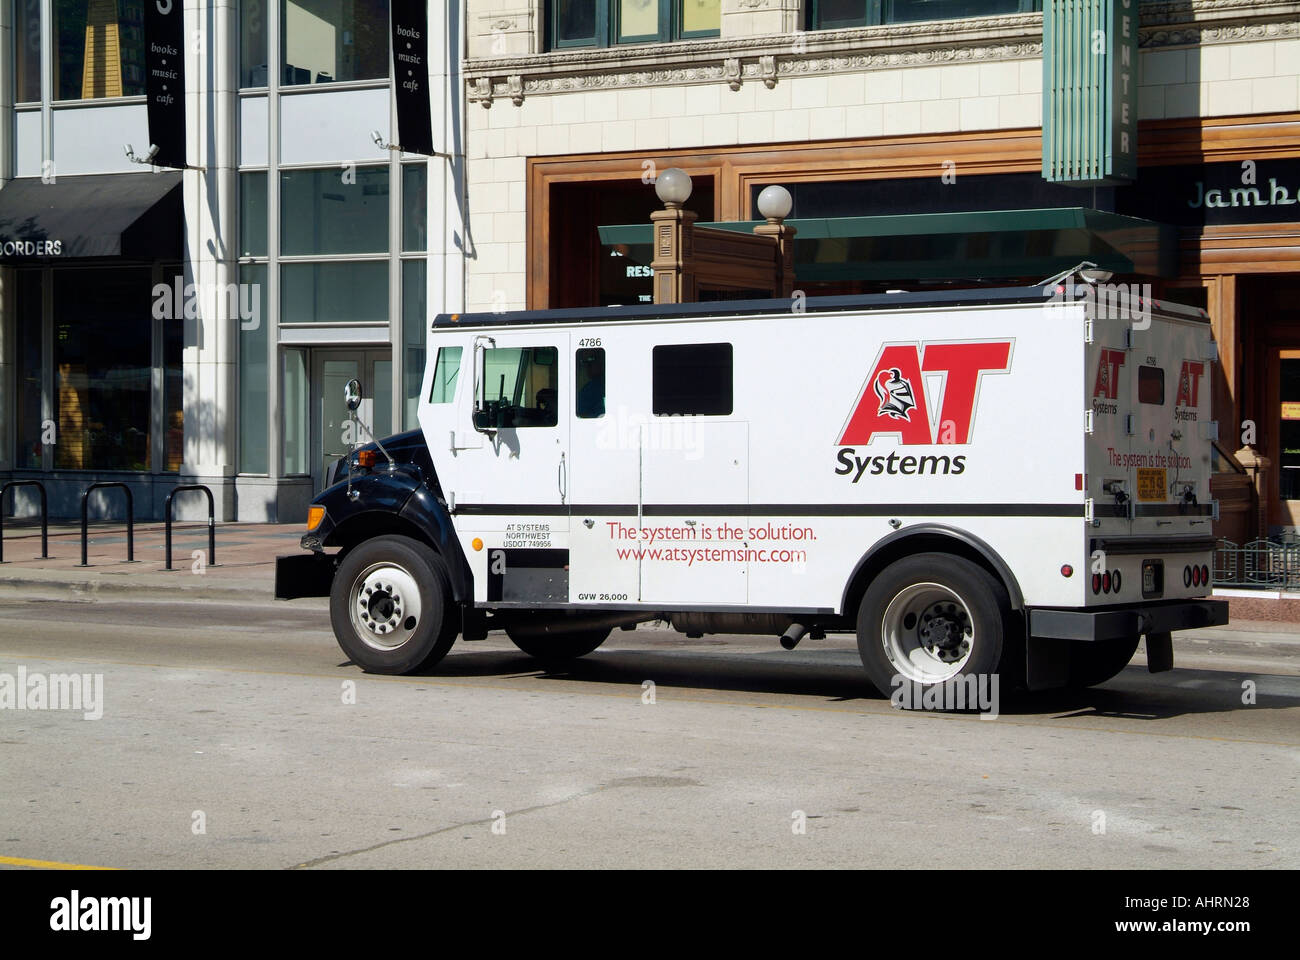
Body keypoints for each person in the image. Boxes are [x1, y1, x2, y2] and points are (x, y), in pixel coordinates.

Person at [576, 352, 605, 419]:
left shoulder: (591, 389)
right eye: (588, 365)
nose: (587, 368)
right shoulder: (590, 388)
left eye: (590, 364)